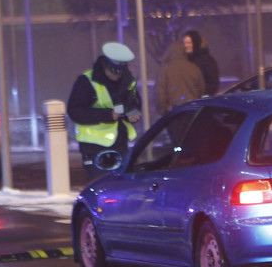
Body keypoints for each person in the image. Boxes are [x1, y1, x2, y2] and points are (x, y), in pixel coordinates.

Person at [67, 42, 142, 171]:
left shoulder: (127, 80)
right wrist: (106, 115)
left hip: (120, 143)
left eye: (121, 71)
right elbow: (75, 111)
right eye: (114, 71)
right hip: (94, 147)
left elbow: (133, 102)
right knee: (99, 186)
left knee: (120, 187)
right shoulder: (87, 81)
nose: (117, 75)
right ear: (104, 65)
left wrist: (132, 113)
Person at [155, 40, 206, 115]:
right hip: (192, 110)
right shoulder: (194, 68)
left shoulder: (165, 69)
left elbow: (160, 93)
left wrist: (163, 109)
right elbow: (202, 90)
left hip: (174, 112)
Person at [183, 30, 220, 96]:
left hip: (200, 101)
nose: (186, 45)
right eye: (184, 43)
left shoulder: (207, 61)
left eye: (188, 43)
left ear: (195, 43)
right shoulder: (185, 60)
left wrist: (203, 97)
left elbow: (212, 83)